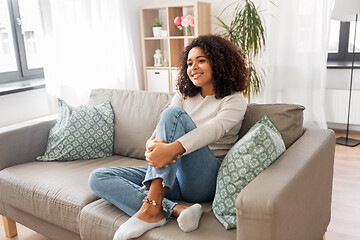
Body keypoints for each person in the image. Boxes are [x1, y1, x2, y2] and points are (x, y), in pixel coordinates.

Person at [88, 34, 248, 240]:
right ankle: (175, 210)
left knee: (174, 115)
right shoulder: (184, 95)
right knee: (99, 177)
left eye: (201, 61)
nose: (193, 68)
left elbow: (212, 130)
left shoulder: (235, 101)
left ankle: (151, 210)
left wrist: (171, 149)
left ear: (219, 63)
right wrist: (151, 144)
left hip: (203, 179)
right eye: (189, 63)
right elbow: (162, 128)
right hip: (173, 173)